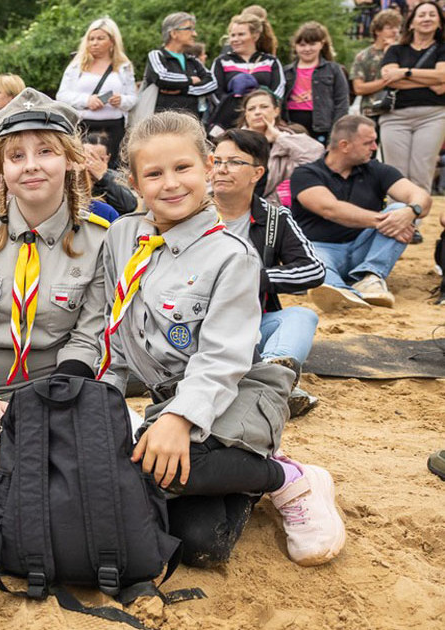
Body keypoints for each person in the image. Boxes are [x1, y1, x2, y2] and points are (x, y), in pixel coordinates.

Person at [100, 111, 344, 569]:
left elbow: (222, 360)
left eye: (183, 168)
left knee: (151, 465)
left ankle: (286, 476)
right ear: (134, 181)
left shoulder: (233, 255)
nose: (170, 183)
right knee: (198, 543)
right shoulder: (121, 237)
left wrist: (177, 420)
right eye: (154, 173)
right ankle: (234, 477)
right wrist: (103, 403)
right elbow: (107, 329)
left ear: (208, 168)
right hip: (164, 399)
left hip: (235, 392)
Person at [0, 91, 111, 502]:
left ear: (69, 159)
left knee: (80, 484)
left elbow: (89, 338)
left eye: (45, 151)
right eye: (16, 156)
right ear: (1, 168)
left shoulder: (100, 239)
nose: (30, 165)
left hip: (65, 394)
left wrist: (49, 405)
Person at [212, 129, 325, 415]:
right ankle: (275, 386)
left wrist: (256, 277)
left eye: (235, 162)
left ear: (257, 173)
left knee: (302, 316)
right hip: (197, 326)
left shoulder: (275, 218)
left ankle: (271, 377)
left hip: (254, 324)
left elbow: (314, 269)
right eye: (216, 161)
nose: (222, 170)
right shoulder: (190, 213)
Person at [291, 115, 432, 310]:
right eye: (368, 142)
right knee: (314, 262)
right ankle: (342, 290)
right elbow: (330, 209)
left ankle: (370, 276)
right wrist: (386, 221)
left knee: (400, 210)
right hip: (321, 248)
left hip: (363, 248)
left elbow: (420, 196)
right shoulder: (306, 173)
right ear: (344, 145)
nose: (375, 147)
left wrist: (411, 211)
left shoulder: (377, 169)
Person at [379, 1, 445, 192]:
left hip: (432, 116)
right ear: (411, 23)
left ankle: (414, 221)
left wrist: (405, 72)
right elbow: (390, 79)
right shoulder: (395, 50)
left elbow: (442, 81)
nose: (427, 19)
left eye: (432, 15)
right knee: (395, 175)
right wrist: (430, 79)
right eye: (422, 15)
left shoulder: (442, 49)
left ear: (440, 23)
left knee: (421, 172)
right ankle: (395, 219)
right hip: (395, 117)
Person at [56, 18, 138, 167]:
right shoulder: (76, 66)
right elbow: (61, 96)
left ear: (112, 42)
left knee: (114, 169)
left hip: (114, 128)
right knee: (82, 168)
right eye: (91, 39)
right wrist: (87, 100)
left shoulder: (123, 67)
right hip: (84, 127)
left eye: (100, 38)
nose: (94, 43)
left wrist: (121, 100)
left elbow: (133, 98)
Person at [238, 89, 324, 205]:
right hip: (237, 205)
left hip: (274, 207)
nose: (257, 112)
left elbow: (315, 155)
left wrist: (278, 137)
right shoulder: (234, 141)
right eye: (251, 109)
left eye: (264, 107)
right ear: (246, 115)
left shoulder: (288, 138)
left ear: (276, 111)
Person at [209, 13, 285, 132]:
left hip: (263, 123)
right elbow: (215, 92)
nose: (235, 39)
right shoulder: (221, 61)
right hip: (230, 123)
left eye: (241, 34)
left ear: (255, 36)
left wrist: (260, 108)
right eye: (232, 35)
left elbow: (278, 91)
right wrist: (238, 109)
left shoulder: (270, 61)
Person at [282, 22, 349, 146]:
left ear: (322, 44)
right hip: (292, 125)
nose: (307, 49)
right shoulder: (286, 72)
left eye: (312, 44)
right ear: (295, 46)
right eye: (302, 45)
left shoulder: (334, 70)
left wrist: (336, 131)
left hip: (322, 126)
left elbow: (342, 103)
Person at [145, 13, 216, 117]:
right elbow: (161, 77)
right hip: (163, 123)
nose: (195, 34)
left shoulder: (192, 59)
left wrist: (185, 90)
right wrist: (191, 80)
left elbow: (212, 83)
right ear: (173, 33)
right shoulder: (157, 55)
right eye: (189, 29)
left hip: (191, 123)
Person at [352, 9, 404, 123]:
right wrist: (389, 80)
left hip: (399, 111)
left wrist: (391, 52)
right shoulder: (363, 56)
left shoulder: (405, 52)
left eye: (397, 27)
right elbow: (359, 88)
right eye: (390, 28)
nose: (395, 31)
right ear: (377, 31)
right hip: (371, 111)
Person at [82, 133, 138, 215]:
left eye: (98, 159)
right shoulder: (72, 175)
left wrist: (103, 177)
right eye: (88, 158)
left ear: (107, 158)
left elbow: (129, 206)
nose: (92, 163)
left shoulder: (114, 177)